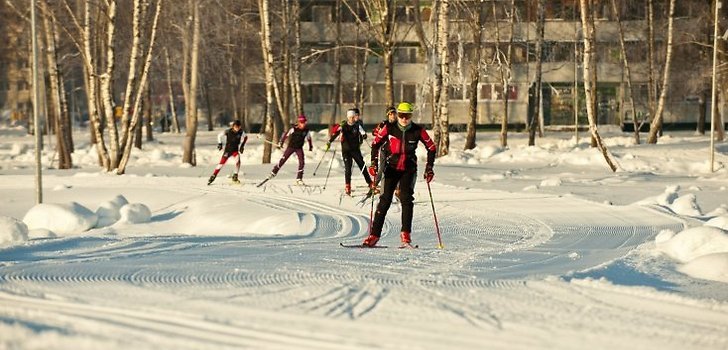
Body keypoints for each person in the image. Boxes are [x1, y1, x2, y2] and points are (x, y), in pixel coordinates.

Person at [363, 102, 436, 248]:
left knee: (406, 199)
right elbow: (376, 144)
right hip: (392, 168)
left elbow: (431, 148)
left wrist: (429, 168)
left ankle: (406, 236)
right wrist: (373, 164)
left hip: (408, 169)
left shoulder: (417, 130)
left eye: (407, 116)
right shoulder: (389, 128)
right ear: (397, 115)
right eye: (401, 115)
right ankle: (374, 236)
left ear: (411, 116)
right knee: (385, 201)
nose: (404, 118)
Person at [326, 108, 372, 195]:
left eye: (353, 117)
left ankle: (369, 183)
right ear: (348, 117)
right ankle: (348, 186)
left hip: (355, 150)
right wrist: (330, 141)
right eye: (350, 117)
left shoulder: (357, 125)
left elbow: (363, 133)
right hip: (346, 151)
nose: (351, 118)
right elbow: (335, 133)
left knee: (362, 166)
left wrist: (364, 136)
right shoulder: (343, 126)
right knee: (348, 169)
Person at [267, 114, 314, 185]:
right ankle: (273, 172)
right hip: (291, 147)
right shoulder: (293, 129)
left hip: (299, 148)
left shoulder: (306, 131)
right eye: (301, 122)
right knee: (283, 160)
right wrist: (281, 142)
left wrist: (310, 146)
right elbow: (286, 135)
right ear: (299, 122)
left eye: (304, 122)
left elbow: (309, 139)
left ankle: (299, 179)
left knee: (302, 162)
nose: (303, 124)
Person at [208, 120, 248, 185]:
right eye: (236, 127)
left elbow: (246, 137)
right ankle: (214, 175)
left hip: (235, 151)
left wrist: (242, 146)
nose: (237, 128)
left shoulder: (241, 132)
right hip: (228, 151)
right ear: (233, 126)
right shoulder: (228, 131)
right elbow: (219, 135)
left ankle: (235, 176)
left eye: (238, 127)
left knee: (238, 162)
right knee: (221, 164)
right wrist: (220, 143)